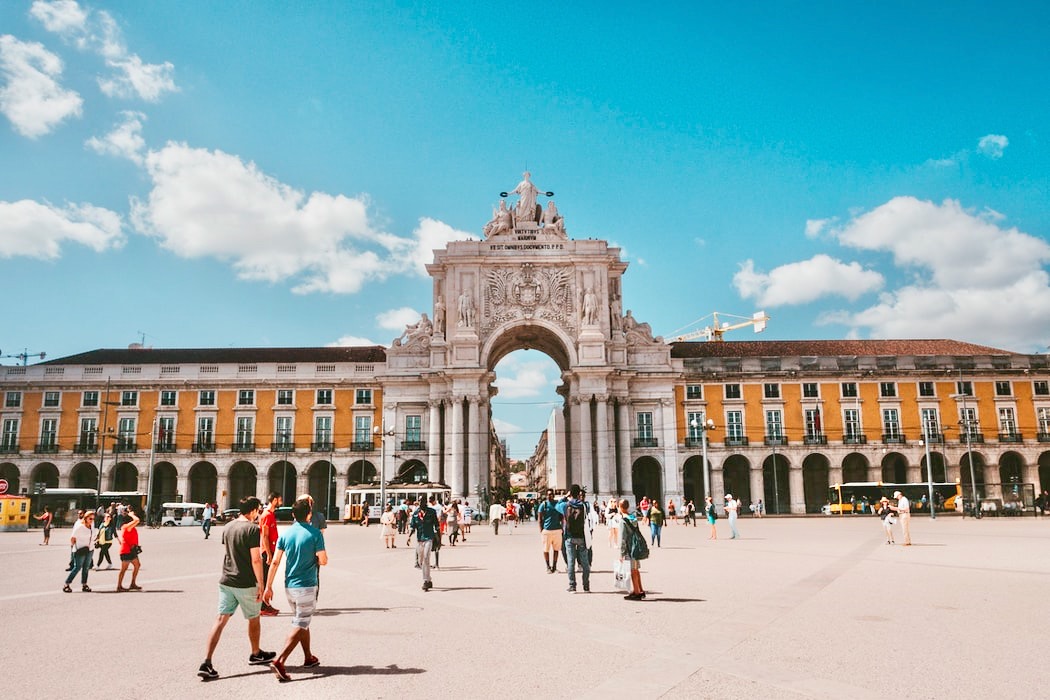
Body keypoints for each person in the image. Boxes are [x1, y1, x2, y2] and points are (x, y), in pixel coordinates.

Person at [197, 496, 276, 680]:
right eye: (258, 509)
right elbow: (256, 559)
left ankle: (206, 662)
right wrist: (262, 584)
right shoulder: (252, 529)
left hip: (226, 580)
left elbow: (230, 552)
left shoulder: (228, 527)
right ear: (254, 510)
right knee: (254, 618)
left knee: (220, 621)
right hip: (246, 582)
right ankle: (256, 653)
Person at [264, 497, 328, 682]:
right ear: (309, 515)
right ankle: (280, 661)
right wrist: (317, 558)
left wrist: (268, 587)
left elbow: (275, 561)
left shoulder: (286, 534)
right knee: (300, 623)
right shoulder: (316, 534)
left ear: (293, 514)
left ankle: (308, 657)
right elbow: (323, 560)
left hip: (289, 586)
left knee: (302, 620)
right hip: (307, 586)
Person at [562, 484, 591, 593]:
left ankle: (572, 586)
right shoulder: (584, 505)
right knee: (585, 562)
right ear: (579, 493)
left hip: (569, 536)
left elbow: (557, 505)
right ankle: (586, 586)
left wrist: (566, 496)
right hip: (581, 536)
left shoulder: (565, 505)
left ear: (570, 493)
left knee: (571, 562)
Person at [408, 498, 439, 591]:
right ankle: (429, 579)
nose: (422, 503)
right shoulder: (416, 514)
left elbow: (436, 525)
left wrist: (439, 539)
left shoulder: (432, 512)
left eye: (423, 502)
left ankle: (425, 581)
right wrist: (409, 537)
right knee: (421, 560)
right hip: (419, 539)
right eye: (420, 502)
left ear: (426, 503)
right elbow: (413, 526)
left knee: (426, 557)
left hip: (429, 538)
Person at [619, 499, 647, 600]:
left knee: (633, 570)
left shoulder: (623, 521)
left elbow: (623, 538)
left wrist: (621, 553)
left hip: (630, 548)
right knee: (636, 569)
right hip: (636, 546)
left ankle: (636, 592)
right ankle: (640, 590)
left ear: (621, 507)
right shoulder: (633, 517)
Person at [259, 492, 282, 616]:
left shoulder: (270, 514)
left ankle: (265, 605)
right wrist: (268, 554)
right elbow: (265, 536)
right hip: (266, 551)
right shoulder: (267, 515)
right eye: (279, 500)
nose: (281, 502)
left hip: (270, 550)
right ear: (274, 500)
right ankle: (263, 607)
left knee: (267, 579)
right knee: (265, 579)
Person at [63, 510, 95, 593]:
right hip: (80, 550)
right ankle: (67, 583)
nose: (92, 520)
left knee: (86, 568)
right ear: (86, 518)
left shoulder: (92, 526)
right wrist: (75, 548)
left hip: (90, 549)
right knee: (77, 567)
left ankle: (84, 584)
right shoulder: (80, 527)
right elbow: (72, 538)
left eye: (93, 519)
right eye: (90, 519)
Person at [537, 489, 564, 573]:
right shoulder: (543, 504)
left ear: (554, 495)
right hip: (547, 530)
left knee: (556, 549)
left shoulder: (557, 504)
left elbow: (562, 516)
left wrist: (562, 527)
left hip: (557, 530)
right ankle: (548, 567)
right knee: (546, 549)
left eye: (551, 494)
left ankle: (554, 567)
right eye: (548, 494)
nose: (550, 496)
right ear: (546, 495)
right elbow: (539, 518)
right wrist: (541, 530)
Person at [116, 505, 142, 592]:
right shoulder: (127, 526)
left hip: (132, 550)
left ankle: (133, 583)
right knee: (124, 569)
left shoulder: (130, 527)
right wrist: (131, 514)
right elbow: (137, 520)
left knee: (137, 565)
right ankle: (119, 586)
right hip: (126, 550)